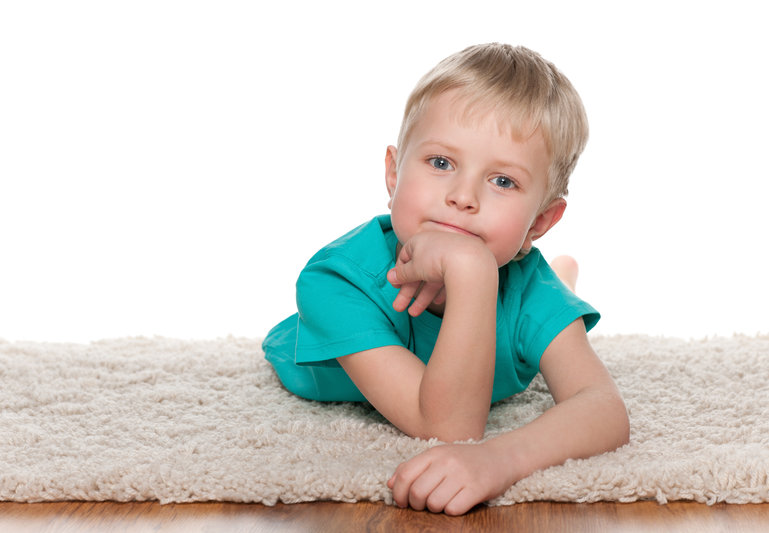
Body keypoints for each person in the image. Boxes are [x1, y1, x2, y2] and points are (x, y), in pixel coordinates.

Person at [262, 43, 629, 515]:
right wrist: (473, 270)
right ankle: (565, 283)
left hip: (518, 283)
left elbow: (603, 408)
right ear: (394, 172)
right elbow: (448, 427)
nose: (462, 197)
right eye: (440, 163)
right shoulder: (335, 282)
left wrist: (500, 460)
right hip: (323, 362)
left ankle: (564, 282)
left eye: (502, 181)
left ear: (538, 223)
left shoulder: (525, 285)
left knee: (547, 303)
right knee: (542, 310)